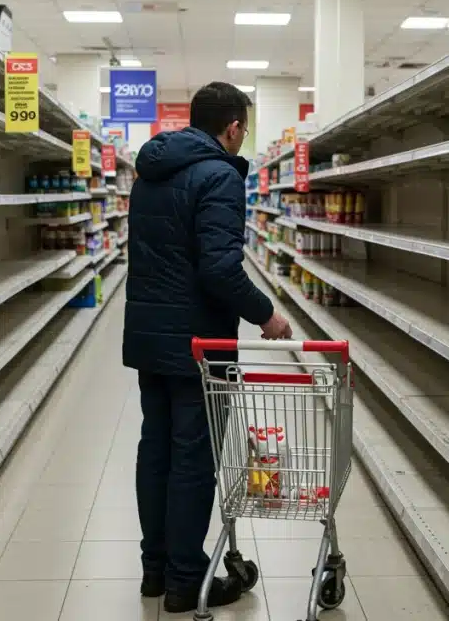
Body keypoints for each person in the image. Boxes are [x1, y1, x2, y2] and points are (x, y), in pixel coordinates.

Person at [122, 81, 293, 613]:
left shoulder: (149, 174)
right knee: (193, 458)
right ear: (233, 127)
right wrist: (267, 315)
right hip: (198, 342)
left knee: (156, 450)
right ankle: (185, 581)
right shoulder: (219, 175)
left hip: (151, 336)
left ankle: (156, 571)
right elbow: (219, 268)